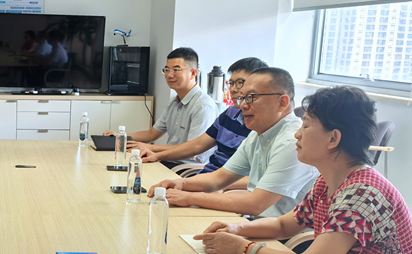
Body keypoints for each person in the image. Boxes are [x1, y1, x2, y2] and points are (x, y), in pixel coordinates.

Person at [195, 86, 412, 254]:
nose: (297, 135)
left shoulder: (361, 193)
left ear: (333, 139)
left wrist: (241, 247)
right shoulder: (328, 179)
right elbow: (283, 225)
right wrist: (237, 229)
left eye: (306, 126)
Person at [148, 67, 317, 217]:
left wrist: (189, 198)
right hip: (252, 222)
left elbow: (256, 205)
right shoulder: (258, 134)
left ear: (282, 102)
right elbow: (219, 178)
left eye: (251, 97)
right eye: (242, 98)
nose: (243, 105)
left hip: (279, 234)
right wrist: (181, 183)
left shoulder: (292, 142)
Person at [139, 57, 268, 174]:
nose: (233, 89)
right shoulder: (230, 113)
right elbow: (197, 145)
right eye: (231, 83)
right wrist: (156, 155)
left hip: (216, 182)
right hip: (208, 177)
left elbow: (254, 179)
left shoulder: (266, 127)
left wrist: (153, 149)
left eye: (240, 82)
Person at [105, 47, 218, 167]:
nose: (169, 75)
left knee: (134, 169)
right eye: (167, 70)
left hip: (189, 168)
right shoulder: (174, 101)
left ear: (193, 73)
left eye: (176, 70)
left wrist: (150, 148)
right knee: (120, 163)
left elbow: (192, 151)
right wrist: (121, 137)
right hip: (168, 160)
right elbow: (152, 134)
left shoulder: (203, 106)